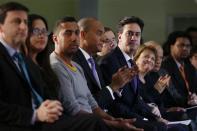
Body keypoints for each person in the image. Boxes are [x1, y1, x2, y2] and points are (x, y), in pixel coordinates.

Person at [0, 2, 118, 131]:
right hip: (22, 123)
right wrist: (35, 115)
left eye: (25, 22)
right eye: (17, 21)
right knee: (94, 122)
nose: (23, 26)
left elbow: (47, 97)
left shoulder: (25, 62)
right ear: (1, 28)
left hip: (46, 119)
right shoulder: (51, 64)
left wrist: (52, 106)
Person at [50, 16, 143, 131]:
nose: (74, 38)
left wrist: (113, 120)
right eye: (68, 33)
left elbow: (92, 103)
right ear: (55, 39)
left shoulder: (78, 66)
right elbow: (72, 109)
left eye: (76, 33)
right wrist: (111, 124)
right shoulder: (55, 66)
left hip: (94, 121)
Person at [98, 16, 169, 131]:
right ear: (120, 36)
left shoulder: (132, 63)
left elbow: (136, 100)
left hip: (135, 115)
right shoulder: (109, 62)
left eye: (137, 34)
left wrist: (154, 117)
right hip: (120, 121)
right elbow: (114, 104)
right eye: (129, 34)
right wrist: (141, 119)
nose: (134, 38)